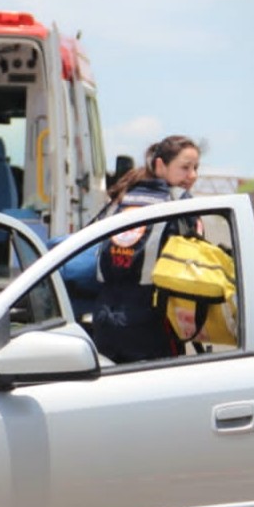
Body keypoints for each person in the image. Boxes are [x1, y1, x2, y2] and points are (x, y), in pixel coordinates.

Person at [91, 134, 201, 363]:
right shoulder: (179, 203)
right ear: (160, 165)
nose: (193, 176)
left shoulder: (122, 196)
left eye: (196, 168)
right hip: (151, 327)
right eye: (185, 168)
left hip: (105, 323)